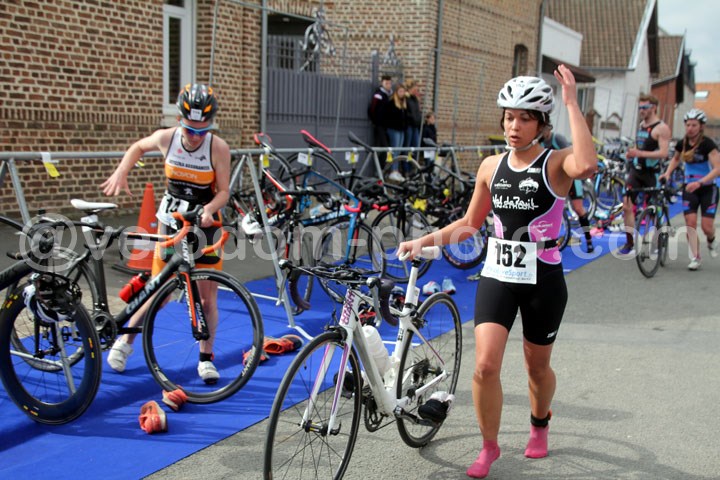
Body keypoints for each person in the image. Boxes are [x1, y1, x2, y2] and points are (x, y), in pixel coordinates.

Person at [398, 66, 596, 479]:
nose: (514, 126)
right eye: (508, 117)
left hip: (543, 279)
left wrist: (572, 103)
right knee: (485, 366)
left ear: (541, 124)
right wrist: (424, 240)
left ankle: (539, 422)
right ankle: (489, 446)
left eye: (524, 118)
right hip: (499, 274)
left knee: (536, 368)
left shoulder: (556, 163)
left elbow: (588, 164)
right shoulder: (490, 166)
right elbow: (470, 223)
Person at [101, 83, 231, 383]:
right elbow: (138, 147)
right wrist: (122, 171)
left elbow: (224, 191)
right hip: (171, 222)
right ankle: (125, 341)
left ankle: (205, 358)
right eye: (189, 130)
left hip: (205, 225)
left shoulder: (218, 147)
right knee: (158, 291)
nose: (195, 136)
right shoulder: (167, 138)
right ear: (179, 120)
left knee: (207, 298)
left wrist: (210, 209)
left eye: (202, 131)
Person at [659, 108, 720, 270]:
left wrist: (700, 182)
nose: (690, 128)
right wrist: (667, 173)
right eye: (688, 125)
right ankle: (695, 257)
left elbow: (717, 168)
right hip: (689, 188)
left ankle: (711, 239)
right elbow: (675, 159)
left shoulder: (708, 144)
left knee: (707, 227)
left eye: (694, 125)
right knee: (690, 223)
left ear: (701, 126)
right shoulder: (682, 143)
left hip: (708, 188)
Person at [618, 94, 672, 254]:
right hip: (636, 171)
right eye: (640, 107)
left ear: (653, 108)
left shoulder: (661, 128)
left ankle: (657, 240)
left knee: (653, 209)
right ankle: (629, 243)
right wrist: (632, 153)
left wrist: (640, 153)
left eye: (645, 107)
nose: (641, 110)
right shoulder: (642, 125)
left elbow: (664, 153)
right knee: (626, 205)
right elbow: (639, 146)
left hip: (651, 173)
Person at [541, 126, 594, 252]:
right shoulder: (539, 142)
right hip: (554, 179)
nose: (542, 133)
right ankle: (548, 242)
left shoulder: (557, 139)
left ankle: (589, 240)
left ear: (549, 129)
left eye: (544, 130)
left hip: (570, 178)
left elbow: (573, 156)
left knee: (578, 208)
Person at [384, 83, 409, 182]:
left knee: (399, 150)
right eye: (400, 91)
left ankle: (396, 170)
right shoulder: (392, 102)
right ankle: (392, 170)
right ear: (396, 92)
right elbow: (389, 117)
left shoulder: (403, 103)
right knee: (394, 150)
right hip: (394, 129)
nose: (402, 93)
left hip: (401, 129)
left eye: (403, 91)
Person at [368, 74, 393, 165]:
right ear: (382, 83)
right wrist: (375, 121)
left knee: (386, 146)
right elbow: (372, 109)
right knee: (382, 145)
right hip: (379, 124)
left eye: (390, 83)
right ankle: (378, 166)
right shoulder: (378, 95)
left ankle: (384, 166)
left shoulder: (390, 95)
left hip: (387, 125)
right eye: (386, 83)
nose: (388, 85)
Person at [404, 79, 423, 151]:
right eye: (415, 89)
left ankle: (414, 158)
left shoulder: (415, 99)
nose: (416, 90)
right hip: (409, 125)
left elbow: (417, 111)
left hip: (415, 125)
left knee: (416, 145)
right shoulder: (406, 98)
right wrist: (411, 118)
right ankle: (406, 158)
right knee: (408, 145)